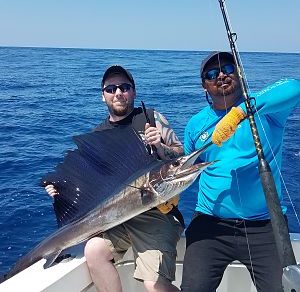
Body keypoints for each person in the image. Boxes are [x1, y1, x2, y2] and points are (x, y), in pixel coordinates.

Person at [46, 65, 184, 292]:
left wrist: (159, 145)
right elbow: (90, 184)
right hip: (116, 218)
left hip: (156, 215)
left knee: (154, 286)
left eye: (124, 87)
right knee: (94, 251)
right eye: (111, 88)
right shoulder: (97, 136)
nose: (118, 92)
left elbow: (180, 154)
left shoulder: (151, 118)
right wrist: (62, 190)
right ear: (103, 96)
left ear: (134, 92)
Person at [180, 51, 300, 292]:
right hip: (210, 223)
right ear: (204, 84)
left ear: (239, 73)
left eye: (227, 68)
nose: (221, 75)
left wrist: (241, 112)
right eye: (212, 74)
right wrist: (169, 199)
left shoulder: (265, 111)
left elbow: (294, 87)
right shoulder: (195, 124)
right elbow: (185, 170)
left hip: (265, 225)